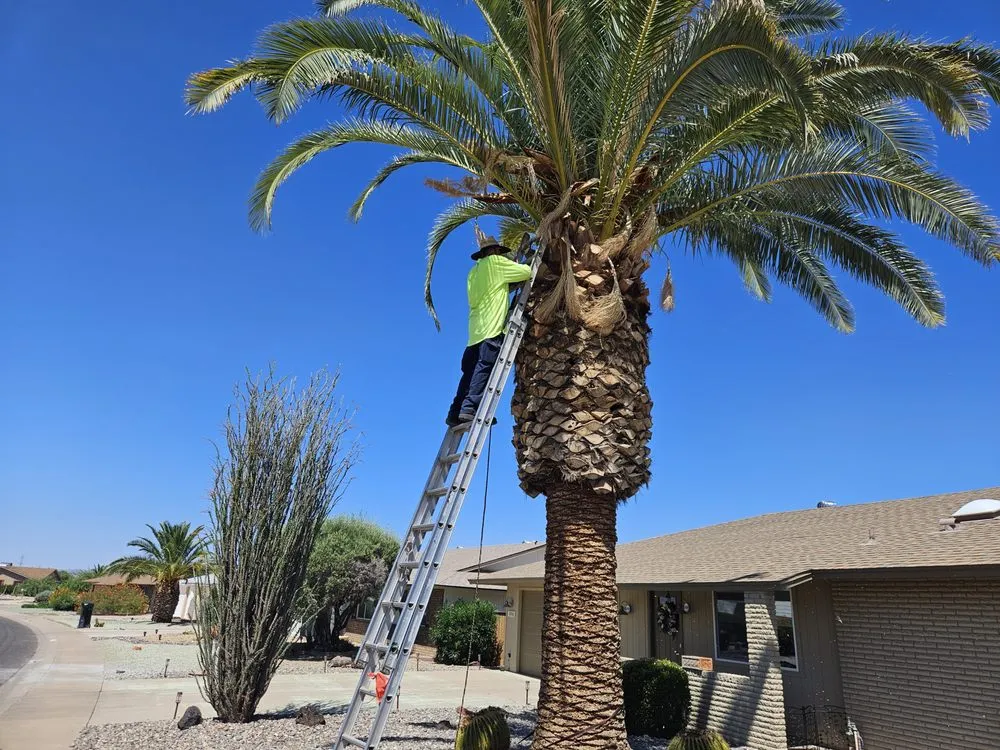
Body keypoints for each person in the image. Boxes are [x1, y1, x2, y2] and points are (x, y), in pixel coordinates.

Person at [445, 233, 533, 427]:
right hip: (491, 329)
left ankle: (455, 411)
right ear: (494, 251)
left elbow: (491, 289)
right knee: (484, 368)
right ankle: (470, 408)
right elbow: (527, 272)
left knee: (468, 373)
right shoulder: (496, 263)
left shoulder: (473, 272)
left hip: (474, 331)